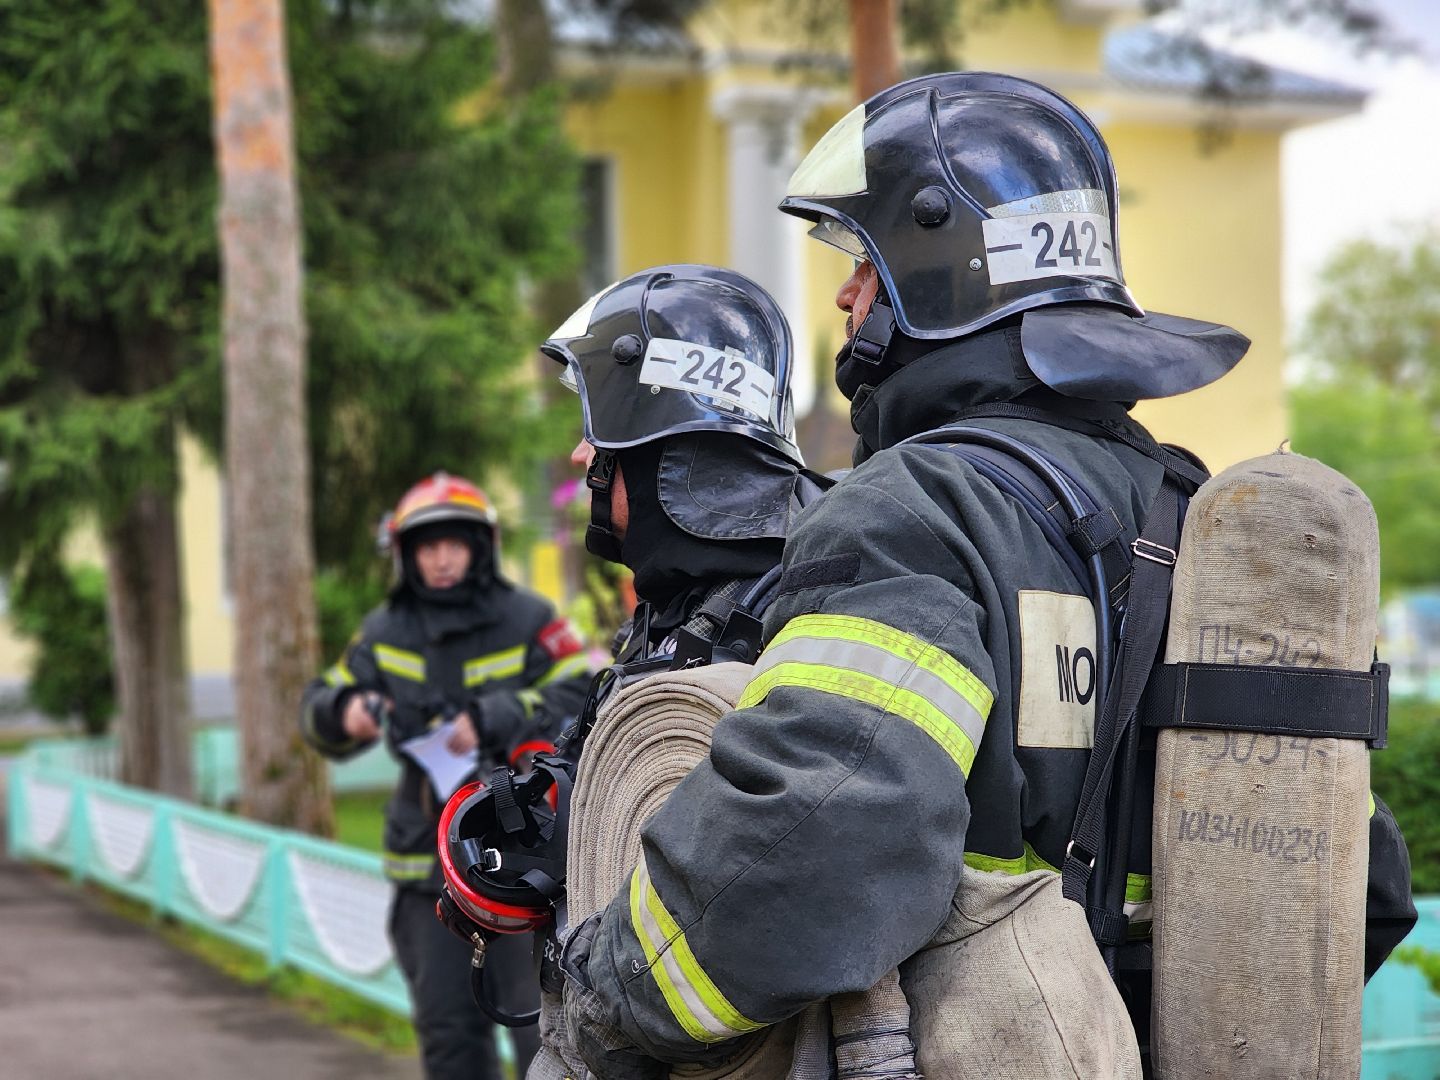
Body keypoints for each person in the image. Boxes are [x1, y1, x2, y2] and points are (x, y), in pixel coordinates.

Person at [552, 73, 1417, 1077]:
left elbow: (811, 842)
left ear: (943, 274)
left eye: (866, 263)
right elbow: (1362, 886)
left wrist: (607, 994)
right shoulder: (1202, 525)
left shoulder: (914, 512)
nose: (843, 295)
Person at [300, 472, 592, 1080]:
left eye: (453, 544)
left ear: (480, 547)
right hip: (424, 875)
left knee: (545, 1038)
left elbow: (586, 690)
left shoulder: (528, 618)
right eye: (427, 546)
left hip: (519, 867)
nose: (440, 560)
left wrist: (497, 715)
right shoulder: (384, 632)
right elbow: (320, 702)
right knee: (448, 1040)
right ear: (406, 554)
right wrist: (344, 712)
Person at [543, 263, 826, 664]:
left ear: (660, 456)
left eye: (599, 433)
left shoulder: (788, 618)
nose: (579, 455)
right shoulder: (683, 612)